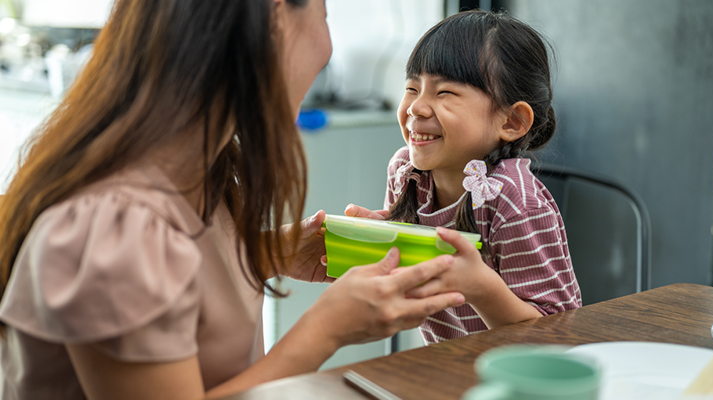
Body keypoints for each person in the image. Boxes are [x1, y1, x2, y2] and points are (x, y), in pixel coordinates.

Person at [0, 1, 466, 399]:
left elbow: (175, 284)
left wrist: (264, 253)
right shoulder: (112, 224)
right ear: (276, 18)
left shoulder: (210, 169)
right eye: (324, 13)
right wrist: (327, 330)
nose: (326, 49)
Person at [345, 10, 581, 344]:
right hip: (448, 370)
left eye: (444, 93)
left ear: (512, 121)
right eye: (412, 88)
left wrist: (479, 286)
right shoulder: (405, 173)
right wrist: (381, 245)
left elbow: (559, 336)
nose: (416, 108)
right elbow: (409, 295)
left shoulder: (515, 203)